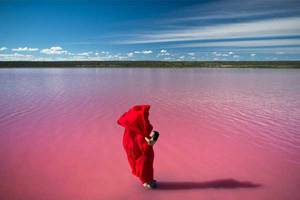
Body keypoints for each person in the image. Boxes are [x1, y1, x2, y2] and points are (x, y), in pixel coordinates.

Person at [117, 105, 159, 189]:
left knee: (143, 168)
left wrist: (149, 138)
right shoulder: (140, 131)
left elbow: (141, 142)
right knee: (145, 169)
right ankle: (147, 182)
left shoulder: (131, 131)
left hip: (136, 155)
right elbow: (146, 148)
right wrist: (154, 138)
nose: (146, 119)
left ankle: (146, 181)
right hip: (143, 158)